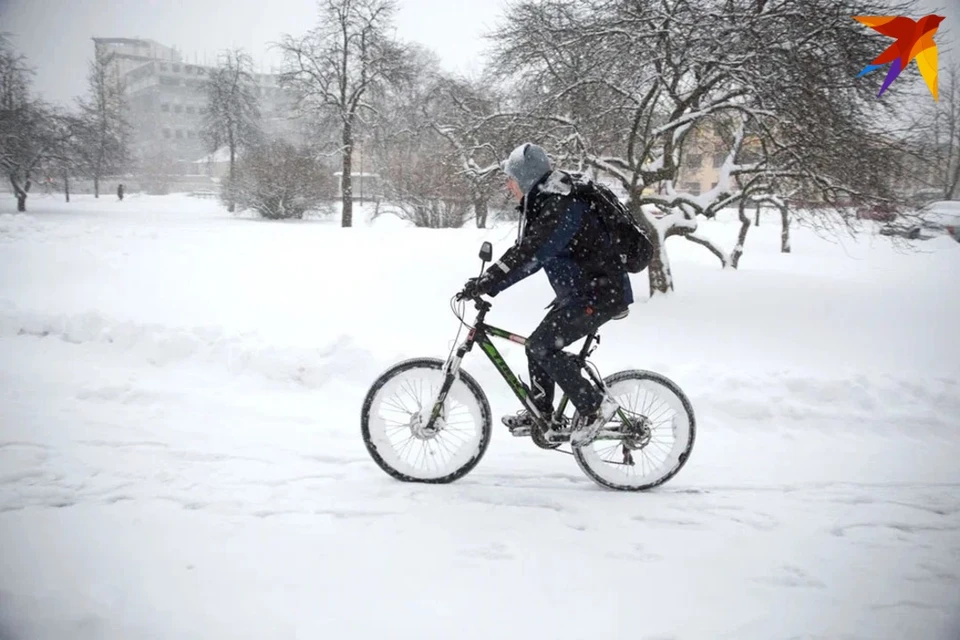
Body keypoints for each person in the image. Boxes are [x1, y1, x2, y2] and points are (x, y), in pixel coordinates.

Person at [457, 142, 633, 446]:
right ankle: (543, 412)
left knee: (542, 345)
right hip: (582, 293)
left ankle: (595, 408)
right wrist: (490, 280)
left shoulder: (562, 205)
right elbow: (527, 251)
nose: (508, 185)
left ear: (525, 178)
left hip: (600, 294)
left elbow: (532, 254)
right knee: (536, 344)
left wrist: (488, 282)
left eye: (511, 178)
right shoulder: (548, 202)